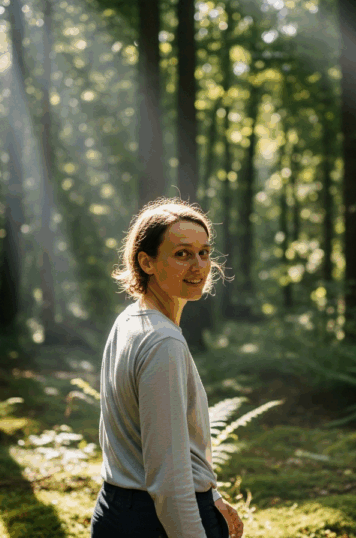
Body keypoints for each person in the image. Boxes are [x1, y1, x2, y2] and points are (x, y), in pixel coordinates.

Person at [90, 198, 244, 538]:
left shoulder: (131, 320)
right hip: (155, 522)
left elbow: (154, 443)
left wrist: (211, 495)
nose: (199, 266)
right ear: (146, 262)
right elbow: (169, 481)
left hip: (115, 509)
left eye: (204, 252)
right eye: (182, 254)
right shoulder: (163, 342)